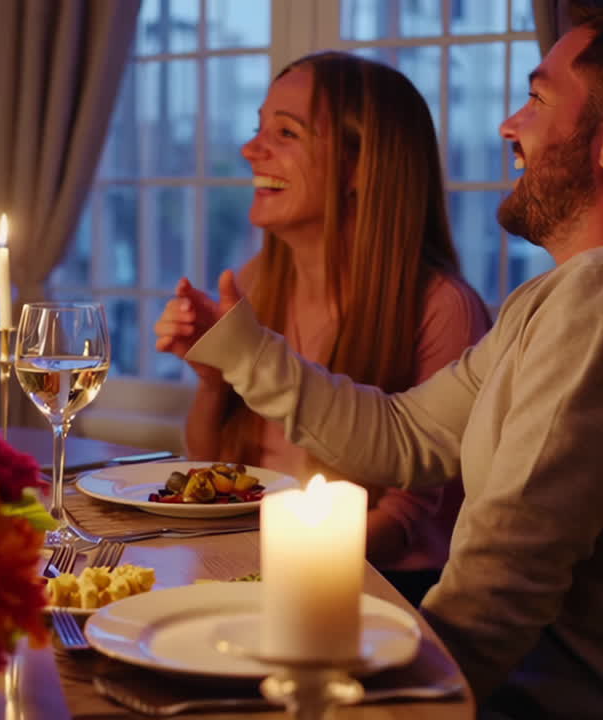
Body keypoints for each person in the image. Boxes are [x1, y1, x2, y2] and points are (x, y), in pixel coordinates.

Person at [156, 2, 603, 717]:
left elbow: (500, 584)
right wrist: (239, 347)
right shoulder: (594, 290)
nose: (508, 126)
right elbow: (402, 436)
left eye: (536, 99)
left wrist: (361, 705)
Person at [157, 52, 490, 603]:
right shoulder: (256, 285)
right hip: (257, 572)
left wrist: (258, 564)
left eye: (285, 132)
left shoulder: (443, 308)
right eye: (257, 127)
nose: (250, 150)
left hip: (380, 594)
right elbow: (215, 468)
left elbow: (408, 522)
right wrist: (212, 379)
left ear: (364, 167)